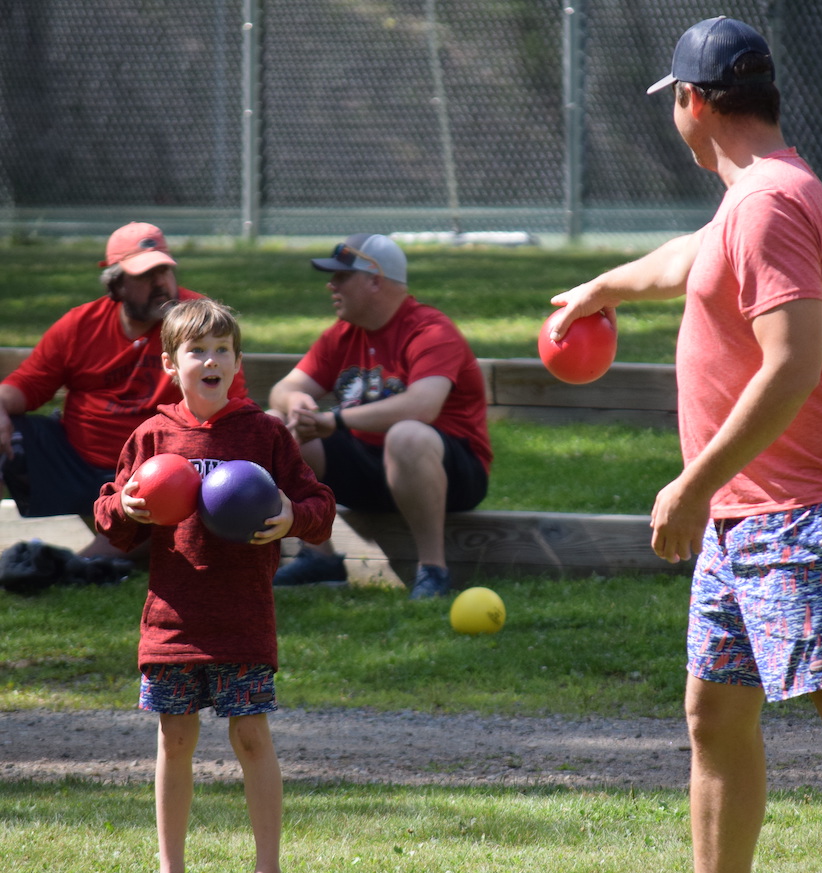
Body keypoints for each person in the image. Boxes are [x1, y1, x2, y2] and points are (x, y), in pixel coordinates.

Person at [551, 17, 822, 873]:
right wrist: (604, 287)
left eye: (673, 101)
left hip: (804, 511)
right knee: (715, 716)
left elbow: (793, 366)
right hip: (746, 517)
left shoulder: (772, 202)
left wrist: (692, 485)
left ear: (693, 102)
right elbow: (693, 259)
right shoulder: (754, 195)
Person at [94, 298, 336, 873]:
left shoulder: (265, 434)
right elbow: (109, 516)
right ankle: (169, 865)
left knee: (251, 738)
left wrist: (289, 518)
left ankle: (267, 864)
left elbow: (319, 507)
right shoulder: (153, 436)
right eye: (196, 350)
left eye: (222, 350)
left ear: (236, 361)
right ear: (170, 365)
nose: (211, 360)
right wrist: (126, 506)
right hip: (173, 623)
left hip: (243, 619)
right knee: (175, 740)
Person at [0, 222, 248, 581]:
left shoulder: (199, 324)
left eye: (165, 270)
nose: (162, 283)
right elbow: (27, 385)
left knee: (193, 466)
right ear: (116, 284)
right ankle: (84, 562)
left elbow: (230, 407)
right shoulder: (80, 325)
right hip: (78, 462)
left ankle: (76, 565)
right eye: (147, 274)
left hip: (162, 471)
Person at [267, 233, 492, 599]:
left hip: (450, 471)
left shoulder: (430, 330)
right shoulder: (342, 335)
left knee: (407, 435)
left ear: (375, 280)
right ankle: (319, 556)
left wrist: (335, 420)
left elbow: (422, 407)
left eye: (341, 277)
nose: (331, 284)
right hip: (369, 466)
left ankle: (433, 570)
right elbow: (284, 388)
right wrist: (296, 403)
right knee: (275, 425)